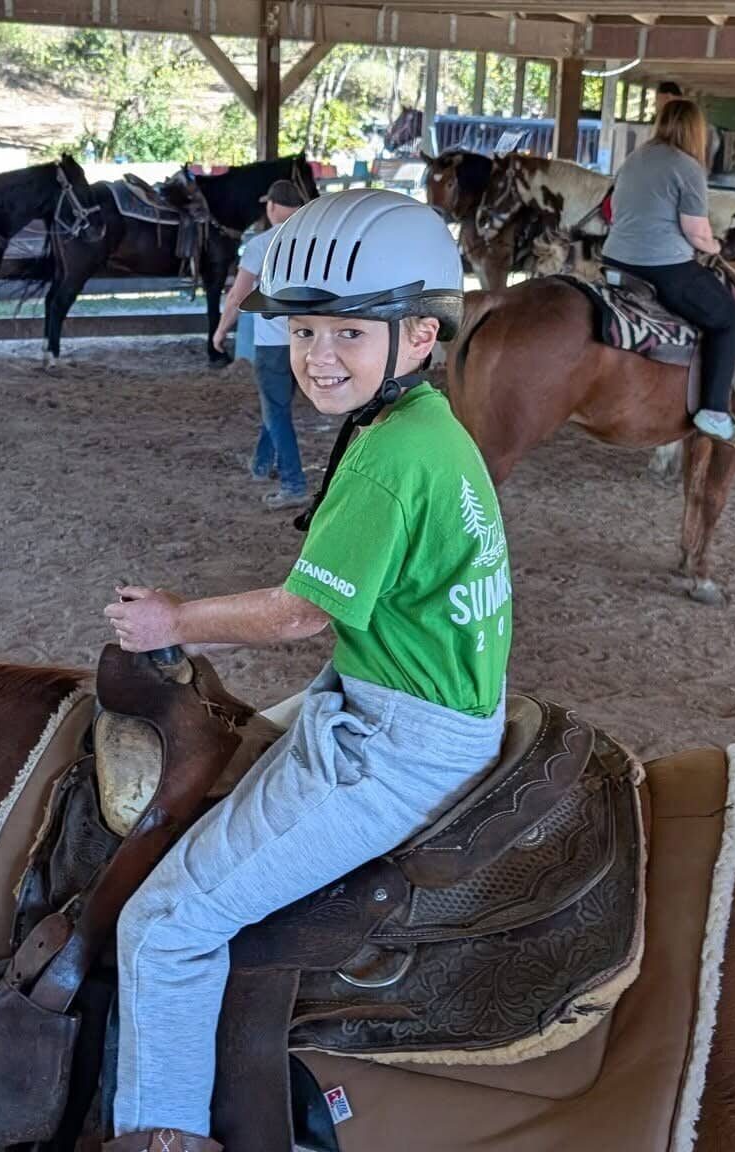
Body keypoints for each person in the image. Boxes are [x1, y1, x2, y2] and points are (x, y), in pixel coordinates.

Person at [102, 189, 514, 1152]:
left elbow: (299, 612)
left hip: (400, 741)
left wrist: (173, 616)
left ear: (418, 335)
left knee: (164, 930)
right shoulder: (425, 429)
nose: (318, 357)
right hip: (414, 697)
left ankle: (161, 1135)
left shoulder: (384, 462)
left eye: (347, 334)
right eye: (304, 331)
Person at [602, 98, 735, 444]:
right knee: (729, 320)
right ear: (697, 131)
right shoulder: (687, 167)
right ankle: (713, 412)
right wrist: (716, 247)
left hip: (615, 261)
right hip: (661, 268)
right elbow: (696, 231)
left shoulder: (634, 159)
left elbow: (611, 211)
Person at [212, 178, 309, 510]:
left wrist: (221, 330)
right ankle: (261, 464)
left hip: (273, 343)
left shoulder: (260, 245)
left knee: (277, 411)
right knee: (278, 406)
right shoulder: (315, 242)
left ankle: (294, 484)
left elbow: (238, 295)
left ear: (271, 207)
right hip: (308, 341)